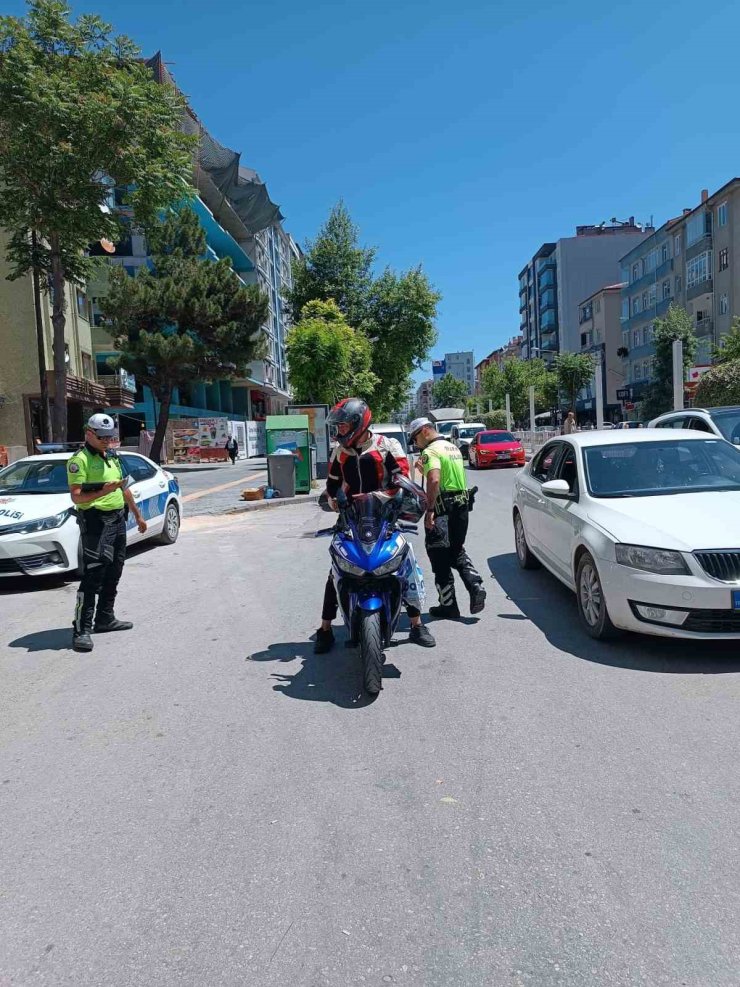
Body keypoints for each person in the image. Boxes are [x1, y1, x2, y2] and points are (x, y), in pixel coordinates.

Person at [314, 397, 435, 653]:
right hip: (351, 518)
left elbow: (401, 479)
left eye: (344, 426)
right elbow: (332, 485)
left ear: (358, 423)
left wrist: (383, 497)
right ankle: (325, 629)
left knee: (406, 563)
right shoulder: (341, 453)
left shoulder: (385, 446)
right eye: (338, 427)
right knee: (336, 568)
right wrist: (334, 499)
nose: (340, 431)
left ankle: (416, 624)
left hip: (383, 516)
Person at [67, 413, 147, 653]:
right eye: (102, 437)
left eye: (110, 437)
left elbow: (124, 488)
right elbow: (77, 496)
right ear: (88, 433)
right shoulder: (78, 461)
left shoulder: (112, 457)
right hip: (95, 522)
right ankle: (81, 628)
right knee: (94, 575)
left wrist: (138, 515)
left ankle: (105, 618)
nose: (106, 441)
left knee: (115, 570)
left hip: (117, 520)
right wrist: (104, 491)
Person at [408, 417, 486, 620]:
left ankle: (448, 605)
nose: (415, 444)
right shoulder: (451, 447)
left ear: (425, 431)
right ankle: (474, 583)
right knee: (456, 549)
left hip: (442, 508)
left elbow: (434, 479)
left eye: (415, 438)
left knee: (439, 554)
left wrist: (430, 510)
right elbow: (446, 475)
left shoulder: (430, 451)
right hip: (461, 506)